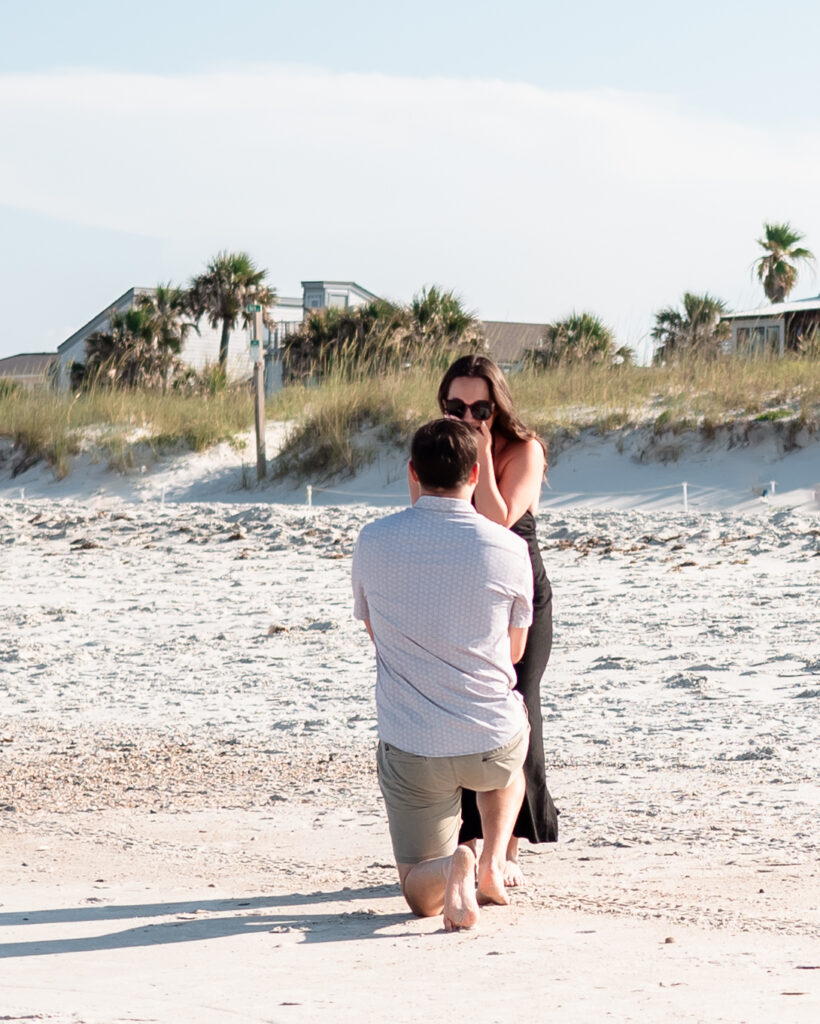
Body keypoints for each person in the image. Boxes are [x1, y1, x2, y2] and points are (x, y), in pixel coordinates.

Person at [352, 418, 533, 931]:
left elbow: (375, 633)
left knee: (417, 889)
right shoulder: (508, 547)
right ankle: (495, 859)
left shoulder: (374, 540)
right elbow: (516, 650)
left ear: (412, 472)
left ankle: (457, 862)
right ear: (476, 474)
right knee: (512, 731)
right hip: (489, 742)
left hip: (414, 744)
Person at [411, 354, 558, 887]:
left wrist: (482, 453)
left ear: (496, 407)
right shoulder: (434, 451)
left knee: (517, 703)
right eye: (456, 406)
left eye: (479, 407)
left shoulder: (525, 450)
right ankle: (467, 846)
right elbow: (423, 516)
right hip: (460, 587)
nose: (468, 415)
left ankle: (508, 848)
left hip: (519, 588)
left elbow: (500, 518)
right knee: (461, 705)